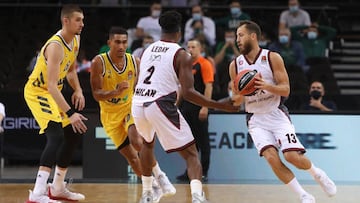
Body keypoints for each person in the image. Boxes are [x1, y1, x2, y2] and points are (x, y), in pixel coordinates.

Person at [131, 10, 238, 203]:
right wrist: (219, 105)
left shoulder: (148, 49)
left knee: (147, 145)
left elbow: (139, 80)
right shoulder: (182, 55)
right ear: (179, 32)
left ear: (161, 29)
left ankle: (147, 194)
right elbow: (188, 92)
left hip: (138, 102)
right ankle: (197, 197)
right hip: (160, 103)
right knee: (191, 154)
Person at [229, 20, 337, 203]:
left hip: (276, 113)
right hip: (255, 118)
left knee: (292, 156)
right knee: (271, 158)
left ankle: (317, 173)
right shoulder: (235, 65)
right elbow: (238, 98)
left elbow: (286, 89)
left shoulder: (272, 57)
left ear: (253, 36)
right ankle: (304, 195)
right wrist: (238, 96)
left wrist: (265, 86)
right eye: (236, 36)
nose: (237, 39)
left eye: (241, 35)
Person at [89, 26, 175, 202]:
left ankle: (159, 176)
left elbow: (144, 86)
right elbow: (96, 94)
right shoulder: (98, 62)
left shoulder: (134, 61)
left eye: (124, 42)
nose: (121, 46)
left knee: (137, 141)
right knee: (133, 160)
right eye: (117, 42)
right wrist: (115, 92)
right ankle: (154, 189)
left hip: (130, 108)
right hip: (109, 116)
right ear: (109, 43)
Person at [24, 4, 87, 203]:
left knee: (74, 132)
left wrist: (78, 89)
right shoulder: (55, 46)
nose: (82, 24)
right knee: (55, 135)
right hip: (38, 91)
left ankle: (58, 187)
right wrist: (70, 113)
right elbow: (51, 86)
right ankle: (37, 194)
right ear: (65, 21)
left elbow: (70, 70)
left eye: (83, 20)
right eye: (78, 20)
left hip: (52, 92)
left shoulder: (75, 39)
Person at [176, 39, 214, 182]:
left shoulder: (205, 64)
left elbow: (208, 86)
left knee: (203, 141)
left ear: (200, 49)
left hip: (198, 107)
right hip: (185, 107)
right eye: (188, 47)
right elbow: (181, 87)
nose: (190, 49)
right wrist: (176, 105)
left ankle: (203, 172)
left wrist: (205, 106)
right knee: (188, 142)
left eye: (193, 47)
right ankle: (190, 172)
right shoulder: (184, 65)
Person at [213, 29, 240, 100]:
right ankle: (222, 93)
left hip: (238, 70)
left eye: (231, 37)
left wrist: (234, 47)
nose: (229, 39)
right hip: (224, 72)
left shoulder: (239, 44)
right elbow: (216, 61)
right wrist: (225, 47)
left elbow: (242, 61)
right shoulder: (221, 45)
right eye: (228, 37)